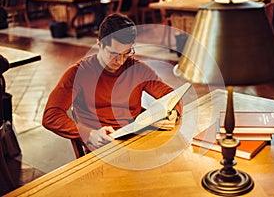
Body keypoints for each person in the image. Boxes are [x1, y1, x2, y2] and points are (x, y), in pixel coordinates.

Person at [42, 13, 182, 151]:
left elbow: (170, 94)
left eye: (126, 53)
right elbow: (50, 116)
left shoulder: (137, 69)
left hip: (135, 139)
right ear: (100, 44)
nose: (120, 61)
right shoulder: (79, 73)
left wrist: (173, 113)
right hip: (102, 147)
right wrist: (88, 134)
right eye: (114, 54)